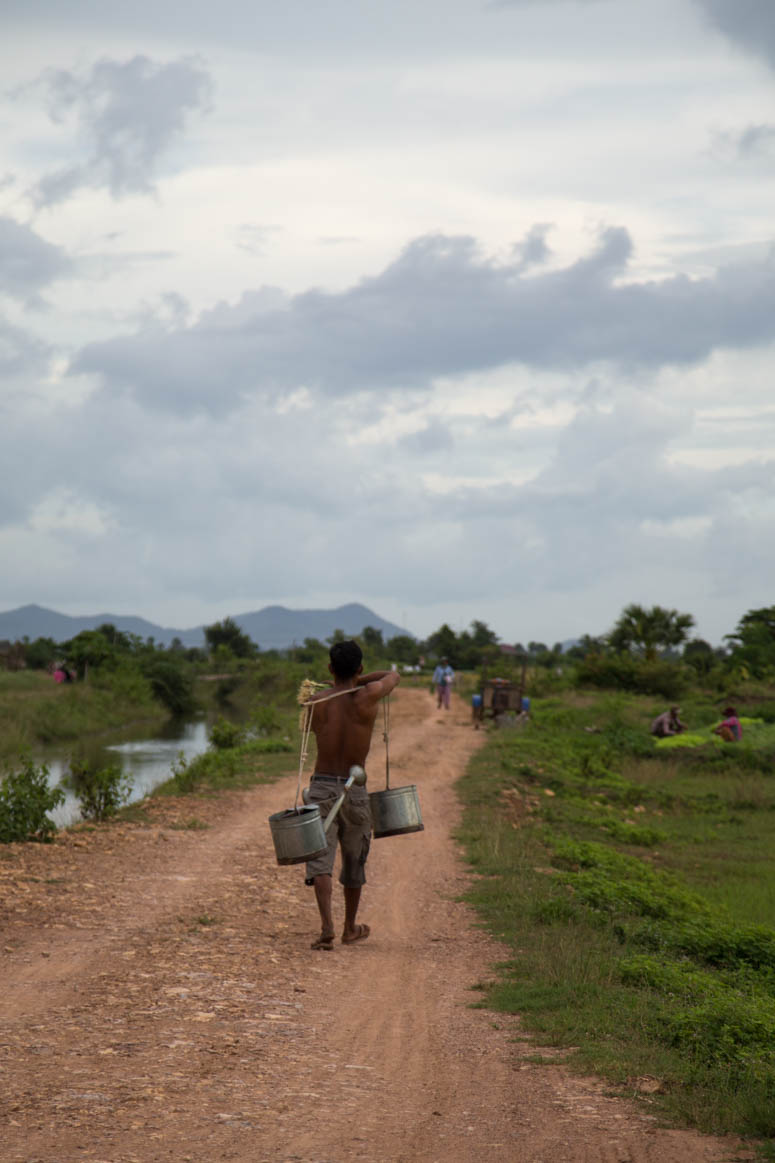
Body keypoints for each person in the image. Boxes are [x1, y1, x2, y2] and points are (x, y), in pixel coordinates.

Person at [304, 640, 400, 951]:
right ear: (359, 669)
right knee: (354, 859)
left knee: (321, 858)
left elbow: (309, 729)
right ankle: (349, 928)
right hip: (354, 788)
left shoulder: (316, 702)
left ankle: (326, 926)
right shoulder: (368, 695)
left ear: (329, 669)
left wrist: (337, 686)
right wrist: (355, 681)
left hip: (320, 787)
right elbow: (393, 676)